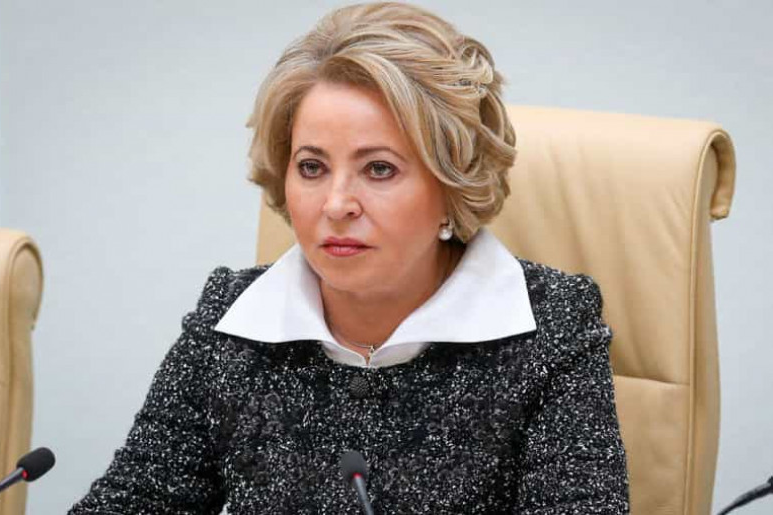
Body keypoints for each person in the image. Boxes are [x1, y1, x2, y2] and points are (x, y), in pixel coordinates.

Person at [69, 2, 629, 513]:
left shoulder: (551, 327)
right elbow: (136, 500)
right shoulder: (230, 321)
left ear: (451, 186)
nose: (336, 204)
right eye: (312, 167)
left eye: (378, 169)